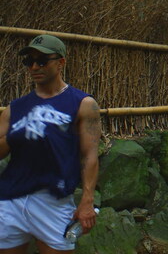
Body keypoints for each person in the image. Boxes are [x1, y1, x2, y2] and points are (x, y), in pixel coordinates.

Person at [0, 35, 100, 253]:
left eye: (43, 60)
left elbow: (90, 155)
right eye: (29, 61)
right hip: (10, 199)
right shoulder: (15, 108)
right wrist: (16, 134)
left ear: (61, 62)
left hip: (53, 201)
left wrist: (87, 201)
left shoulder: (83, 104)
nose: (35, 66)